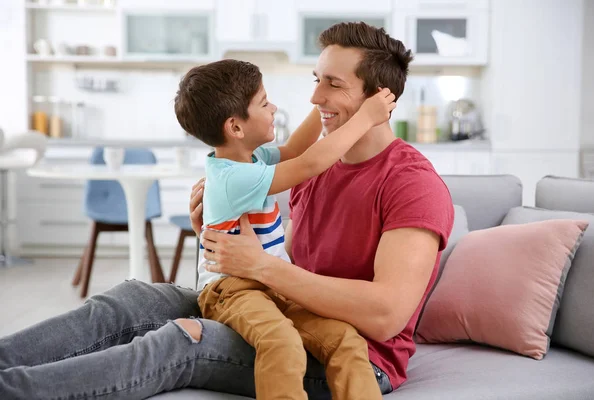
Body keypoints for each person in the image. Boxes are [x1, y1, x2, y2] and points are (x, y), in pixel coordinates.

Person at [0, 21, 454, 399]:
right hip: (281, 301)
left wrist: (262, 267)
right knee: (132, 299)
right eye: (316, 80)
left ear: (379, 99)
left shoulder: (410, 183)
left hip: (357, 354)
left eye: (332, 84)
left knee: (181, 341)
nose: (314, 99)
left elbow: (386, 315)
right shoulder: (315, 168)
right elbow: (291, 257)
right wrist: (222, 234)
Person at [174, 58, 395, 400]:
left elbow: (295, 149)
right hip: (233, 289)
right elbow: (309, 163)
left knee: (346, 341)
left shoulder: (252, 156)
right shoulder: (234, 177)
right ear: (235, 127)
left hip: (273, 281)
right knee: (281, 341)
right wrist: (365, 116)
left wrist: (325, 103)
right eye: (264, 103)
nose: (273, 107)